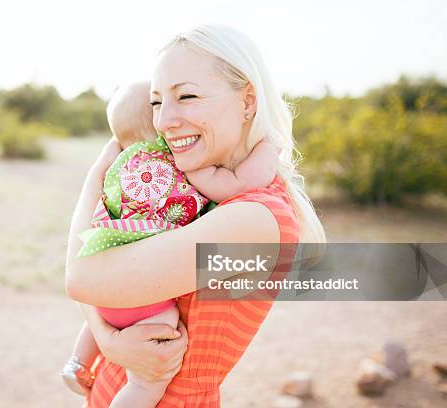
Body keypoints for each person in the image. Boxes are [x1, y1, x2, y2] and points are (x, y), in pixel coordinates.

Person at [66, 24, 325, 407]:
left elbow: (83, 278)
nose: (163, 121)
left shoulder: (254, 219)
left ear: (248, 101)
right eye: (156, 102)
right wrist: (111, 342)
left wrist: (97, 173)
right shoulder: (197, 185)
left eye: (186, 96)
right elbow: (100, 274)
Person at [61, 81, 280, 406]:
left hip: (108, 282)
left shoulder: (118, 171)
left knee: (107, 312)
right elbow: (236, 185)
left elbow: (88, 260)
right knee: (147, 383)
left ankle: (78, 362)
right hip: (145, 302)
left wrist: (108, 339)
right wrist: (270, 147)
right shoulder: (183, 165)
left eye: (187, 96)